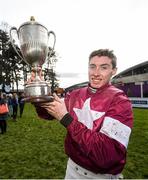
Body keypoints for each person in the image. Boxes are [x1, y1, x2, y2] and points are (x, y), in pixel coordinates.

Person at [34, 49, 133, 179]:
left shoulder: (120, 101)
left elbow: (107, 154)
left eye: (103, 67)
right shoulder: (75, 94)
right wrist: (39, 90)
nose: (96, 73)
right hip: (72, 168)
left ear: (113, 71)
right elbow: (48, 112)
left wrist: (66, 119)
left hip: (100, 176)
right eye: (92, 67)